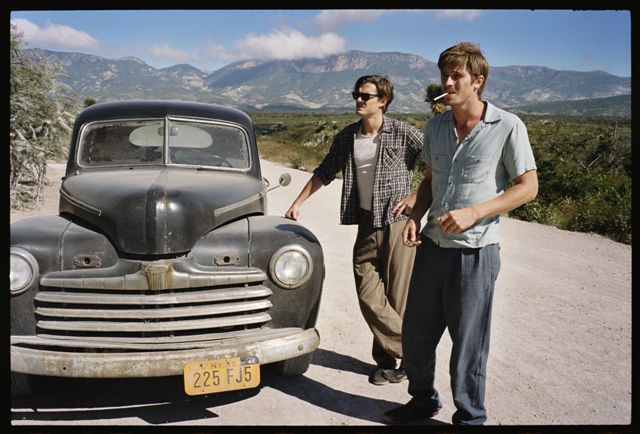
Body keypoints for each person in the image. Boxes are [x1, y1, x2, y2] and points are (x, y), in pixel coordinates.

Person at [383, 42, 538, 425]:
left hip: (475, 252)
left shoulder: (507, 126)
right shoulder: (435, 126)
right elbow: (430, 179)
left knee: (468, 343)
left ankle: (470, 417)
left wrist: (475, 212)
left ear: (478, 81)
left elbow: (528, 187)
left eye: (457, 76)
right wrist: (417, 214)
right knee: (416, 333)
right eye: (444, 76)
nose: (448, 83)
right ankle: (422, 400)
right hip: (433, 246)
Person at [284, 75, 423, 385]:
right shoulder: (348, 136)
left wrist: (416, 197)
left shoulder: (404, 132)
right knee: (368, 293)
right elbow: (325, 171)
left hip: (397, 223)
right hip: (366, 222)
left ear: (383, 101)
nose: (358, 100)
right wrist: (298, 202)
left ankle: (388, 363)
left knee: (396, 298)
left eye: (365, 96)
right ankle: (412, 351)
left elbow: (439, 164)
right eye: (356, 94)